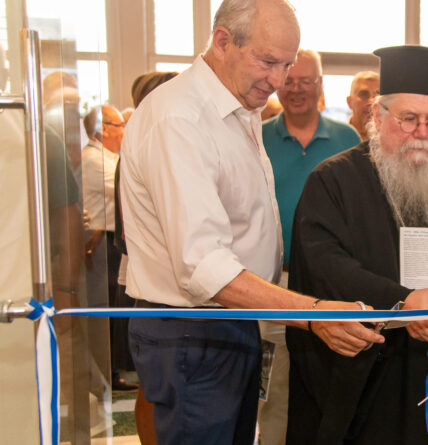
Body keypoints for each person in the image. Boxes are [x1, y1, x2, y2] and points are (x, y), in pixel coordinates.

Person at [118, 1, 384, 444]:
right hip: (193, 329)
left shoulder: (236, 107)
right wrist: (313, 314)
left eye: (287, 65)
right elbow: (203, 266)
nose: (279, 81)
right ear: (223, 41)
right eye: (268, 62)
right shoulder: (180, 117)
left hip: (231, 321)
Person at [285, 44, 428, 445]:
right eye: (409, 119)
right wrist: (401, 301)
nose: (422, 133)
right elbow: (324, 265)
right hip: (367, 378)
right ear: (378, 115)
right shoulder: (332, 181)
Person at [259, 48, 360, 445]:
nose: (297, 89)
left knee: (333, 383)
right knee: (274, 388)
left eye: (307, 81)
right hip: (273, 284)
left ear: (321, 85)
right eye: (290, 80)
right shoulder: (258, 135)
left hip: (333, 287)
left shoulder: (347, 138)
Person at [117, 70, 178, 445]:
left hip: (154, 278)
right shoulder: (146, 148)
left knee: (155, 383)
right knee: (154, 385)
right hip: (152, 281)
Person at [81, 105, 135, 391]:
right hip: (102, 243)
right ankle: (107, 372)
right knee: (107, 307)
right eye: (119, 125)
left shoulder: (108, 157)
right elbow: (128, 188)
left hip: (110, 240)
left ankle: (112, 369)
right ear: (103, 129)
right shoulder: (95, 160)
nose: (124, 131)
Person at [346, 70, 380, 140]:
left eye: (377, 96)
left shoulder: (392, 140)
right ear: (350, 102)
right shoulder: (337, 138)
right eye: (364, 95)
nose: (371, 102)